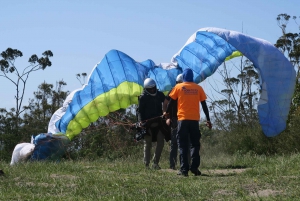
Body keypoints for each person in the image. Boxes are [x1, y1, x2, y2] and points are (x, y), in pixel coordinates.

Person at [165, 68, 212, 176]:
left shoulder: (178, 87)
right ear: (192, 77)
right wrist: (208, 120)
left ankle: (184, 170)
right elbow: (204, 105)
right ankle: (194, 168)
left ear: (184, 77)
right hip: (194, 120)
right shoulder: (198, 88)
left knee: (182, 144)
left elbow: (171, 102)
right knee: (195, 144)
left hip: (182, 120)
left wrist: (166, 113)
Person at [138, 78, 167, 170]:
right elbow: (140, 111)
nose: (152, 90)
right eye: (150, 89)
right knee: (147, 143)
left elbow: (167, 102)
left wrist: (166, 112)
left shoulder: (159, 95)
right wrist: (141, 122)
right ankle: (146, 164)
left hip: (159, 122)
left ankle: (155, 163)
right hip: (147, 124)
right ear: (146, 89)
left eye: (153, 88)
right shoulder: (143, 97)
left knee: (161, 142)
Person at [163, 74, 190, 170]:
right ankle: (172, 165)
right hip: (174, 119)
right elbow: (166, 104)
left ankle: (187, 165)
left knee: (186, 142)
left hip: (186, 119)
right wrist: (167, 117)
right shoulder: (173, 90)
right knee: (174, 142)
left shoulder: (188, 91)